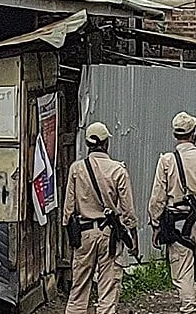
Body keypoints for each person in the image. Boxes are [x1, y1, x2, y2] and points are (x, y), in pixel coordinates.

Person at [148, 112, 196, 314]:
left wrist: (156, 225)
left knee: (182, 271)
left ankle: (189, 307)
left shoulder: (166, 161)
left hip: (176, 224)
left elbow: (158, 197)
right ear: (193, 134)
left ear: (175, 135)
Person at [63, 122, 139, 314]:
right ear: (106, 144)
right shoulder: (118, 170)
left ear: (88, 144)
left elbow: (68, 209)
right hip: (109, 234)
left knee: (79, 289)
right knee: (108, 288)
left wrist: (70, 236)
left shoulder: (76, 169)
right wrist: (133, 237)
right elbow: (127, 210)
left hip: (83, 233)